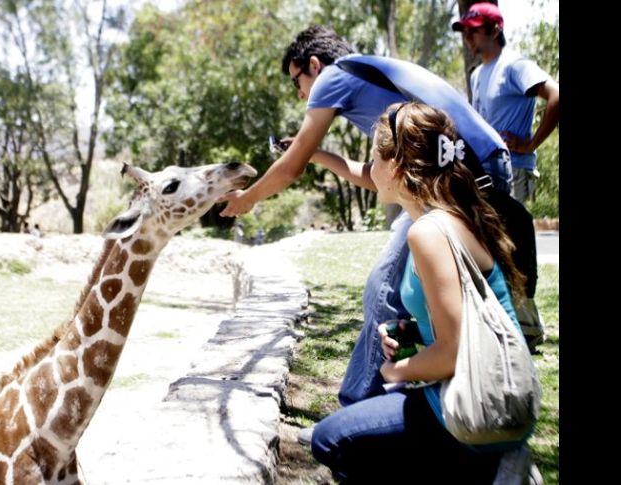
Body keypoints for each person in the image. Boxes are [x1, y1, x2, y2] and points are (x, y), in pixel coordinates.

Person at [220, 25, 538, 409]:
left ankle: (362, 407)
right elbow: (376, 177)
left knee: (384, 289)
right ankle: (406, 404)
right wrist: (314, 153)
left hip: (461, 175)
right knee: (408, 293)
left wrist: (247, 199)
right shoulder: (368, 74)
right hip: (482, 168)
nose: (300, 93)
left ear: (314, 65)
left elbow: (289, 170)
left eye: (296, 81)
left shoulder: (333, 77)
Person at [309, 101, 533, 483]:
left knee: (330, 439)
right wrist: (411, 336)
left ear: (396, 168)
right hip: (491, 394)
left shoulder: (428, 232)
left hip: (471, 404)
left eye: (373, 161)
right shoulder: (456, 214)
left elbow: (452, 353)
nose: (370, 171)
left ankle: (485, 470)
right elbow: (460, 322)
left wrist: (395, 368)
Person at [453, 2, 558, 350]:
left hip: (514, 170)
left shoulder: (515, 66)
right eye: (465, 31)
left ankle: (528, 329)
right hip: (486, 173)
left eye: (474, 29)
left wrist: (530, 144)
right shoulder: (476, 74)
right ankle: (504, 324)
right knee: (492, 249)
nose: (469, 37)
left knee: (513, 249)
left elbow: (555, 95)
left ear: (495, 29)